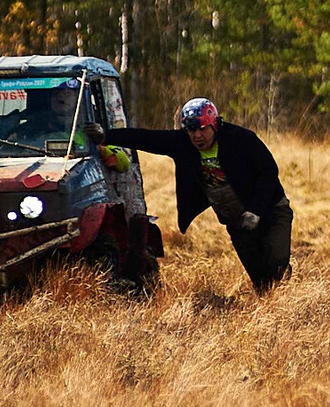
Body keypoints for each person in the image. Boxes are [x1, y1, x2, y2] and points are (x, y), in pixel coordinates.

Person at [98, 97, 293, 294]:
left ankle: (287, 300)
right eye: (191, 130)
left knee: (276, 263)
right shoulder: (183, 144)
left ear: (215, 125)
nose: (197, 136)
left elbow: (268, 172)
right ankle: (270, 305)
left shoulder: (241, 139)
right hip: (236, 219)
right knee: (260, 278)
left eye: (202, 129)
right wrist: (105, 136)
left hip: (271, 210)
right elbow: (145, 138)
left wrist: (255, 211)